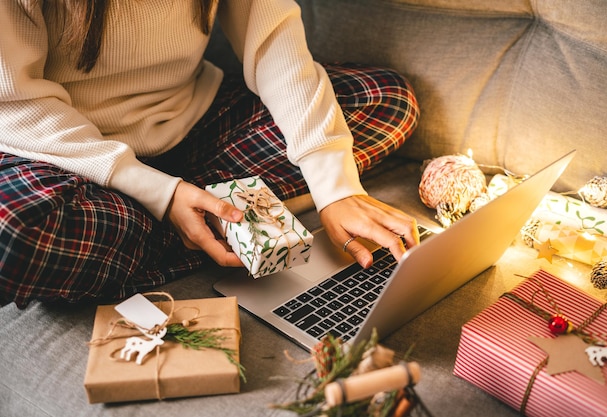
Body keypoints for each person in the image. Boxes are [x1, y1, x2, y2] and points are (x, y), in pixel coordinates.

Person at [0, 0, 419, 308]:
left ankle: (184, 226)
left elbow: (273, 40)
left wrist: (337, 187)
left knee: (385, 98)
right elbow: (15, 104)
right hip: (66, 153)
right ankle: (216, 221)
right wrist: (161, 194)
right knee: (15, 233)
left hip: (195, 125)